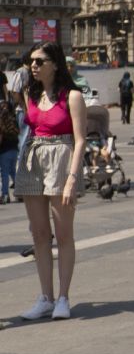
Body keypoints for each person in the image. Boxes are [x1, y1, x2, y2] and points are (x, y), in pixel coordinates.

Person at [14, 42, 87, 321]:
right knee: (39, 234)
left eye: (39, 61)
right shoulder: (29, 94)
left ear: (55, 64)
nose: (33, 66)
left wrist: (71, 179)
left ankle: (63, 298)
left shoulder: (72, 96)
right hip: (33, 159)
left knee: (64, 234)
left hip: (61, 158)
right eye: (31, 61)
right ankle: (45, 297)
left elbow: (80, 141)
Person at [10, 50, 31, 153]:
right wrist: (24, 107)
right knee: (24, 135)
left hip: (29, 109)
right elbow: (15, 92)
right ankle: (20, 157)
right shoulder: (21, 72)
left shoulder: (30, 72)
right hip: (22, 111)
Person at [0, 99, 17, 204]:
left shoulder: (1, 121)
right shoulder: (13, 120)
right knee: (13, 171)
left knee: (4, 173)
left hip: (4, 151)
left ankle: (5, 195)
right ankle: (20, 192)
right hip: (14, 149)